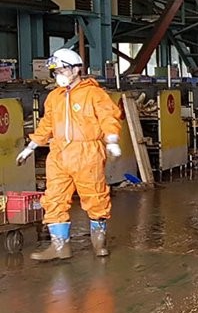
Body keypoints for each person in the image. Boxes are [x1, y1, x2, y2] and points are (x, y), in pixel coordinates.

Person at [16, 49, 123, 261]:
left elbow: (108, 116)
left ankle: (99, 242)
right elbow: (47, 124)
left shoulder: (94, 94)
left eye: (62, 69)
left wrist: (111, 140)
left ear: (76, 69)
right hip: (58, 153)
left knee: (95, 197)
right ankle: (59, 247)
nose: (58, 75)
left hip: (87, 152)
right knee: (54, 197)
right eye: (55, 71)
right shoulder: (54, 97)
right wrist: (31, 147)